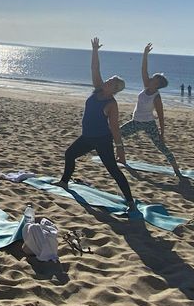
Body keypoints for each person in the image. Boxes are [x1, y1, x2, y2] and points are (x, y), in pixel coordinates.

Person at [54, 38, 136, 204]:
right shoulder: (98, 89)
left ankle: (129, 200)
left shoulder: (111, 103)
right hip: (87, 137)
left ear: (114, 89)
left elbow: (114, 127)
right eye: (109, 80)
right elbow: (95, 68)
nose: (107, 81)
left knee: (113, 169)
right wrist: (95, 50)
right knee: (69, 154)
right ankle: (64, 181)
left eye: (111, 82)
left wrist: (120, 148)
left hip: (102, 140)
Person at [120, 42, 183, 177]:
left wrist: (162, 133)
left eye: (153, 79)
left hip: (149, 124)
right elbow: (143, 69)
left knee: (161, 147)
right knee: (117, 134)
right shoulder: (146, 87)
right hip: (135, 121)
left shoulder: (156, 97)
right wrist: (145, 54)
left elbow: (161, 116)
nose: (150, 79)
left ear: (157, 84)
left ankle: (176, 168)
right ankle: (121, 158)